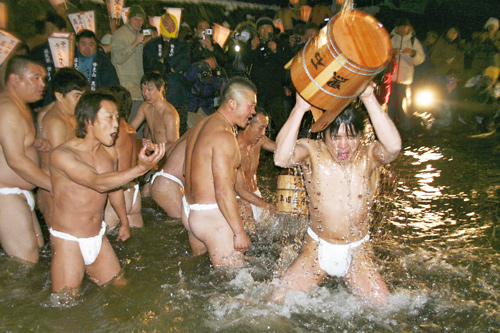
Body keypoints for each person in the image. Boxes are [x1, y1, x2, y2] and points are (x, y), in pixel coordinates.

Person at [271, 84, 402, 304]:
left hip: (356, 253)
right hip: (317, 250)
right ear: (323, 135)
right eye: (336, 137)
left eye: (351, 137)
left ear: (361, 136)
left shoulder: (368, 156)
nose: (343, 145)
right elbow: (281, 159)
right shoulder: (312, 150)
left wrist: (369, 98)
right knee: (276, 302)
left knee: (384, 307)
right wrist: (299, 109)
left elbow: (393, 148)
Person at [48, 90, 165, 295]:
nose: (115, 124)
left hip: (98, 237)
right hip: (69, 241)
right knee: (66, 305)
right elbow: (97, 182)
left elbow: (113, 189)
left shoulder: (108, 152)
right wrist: (140, 168)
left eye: (117, 117)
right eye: (109, 117)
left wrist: (124, 222)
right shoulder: (62, 155)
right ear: (88, 121)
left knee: (120, 291)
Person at [182, 76, 256, 267]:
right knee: (233, 285)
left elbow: (185, 171)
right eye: (251, 106)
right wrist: (239, 232)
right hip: (212, 217)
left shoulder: (200, 125)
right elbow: (223, 191)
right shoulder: (224, 136)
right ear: (232, 103)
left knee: (200, 273)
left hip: (190, 211)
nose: (253, 112)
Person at [0, 55, 51, 263]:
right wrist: (53, 185)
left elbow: (18, 146)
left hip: (19, 192)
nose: (42, 84)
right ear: (14, 79)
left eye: (44, 79)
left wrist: (36, 145)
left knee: (37, 250)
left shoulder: (20, 106)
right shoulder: (8, 108)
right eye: (36, 78)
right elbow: (16, 160)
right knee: (25, 262)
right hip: (5, 194)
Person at [37, 68, 90, 227]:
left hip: (66, 189)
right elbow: (60, 165)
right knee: (61, 245)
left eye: (82, 95)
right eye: (76, 96)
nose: (81, 101)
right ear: (60, 96)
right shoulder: (56, 122)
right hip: (54, 191)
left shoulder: (70, 115)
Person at [143, 13, 191, 135]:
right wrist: (170, 67)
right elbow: (150, 66)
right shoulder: (152, 45)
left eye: (173, 25)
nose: (170, 27)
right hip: (156, 93)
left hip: (177, 93)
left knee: (178, 126)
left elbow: (183, 64)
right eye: (166, 24)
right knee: (155, 126)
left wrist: (164, 63)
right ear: (161, 25)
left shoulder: (183, 45)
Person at [104, 85, 144, 229]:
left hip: (118, 193)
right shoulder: (131, 129)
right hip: (133, 191)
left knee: (102, 241)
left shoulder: (112, 131)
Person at [244, 17, 288, 137]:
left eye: (268, 27)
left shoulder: (280, 44)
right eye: (262, 28)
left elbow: (286, 64)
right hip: (258, 91)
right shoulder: (253, 44)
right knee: (257, 121)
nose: (265, 31)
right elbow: (245, 62)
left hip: (275, 90)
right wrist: (252, 49)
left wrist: (275, 51)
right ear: (258, 31)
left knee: (280, 122)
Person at [235, 107, 277, 234]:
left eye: (265, 128)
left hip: (256, 194)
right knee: (251, 235)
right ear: (247, 125)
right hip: (240, 199)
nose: (264, 133)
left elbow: (282, 151)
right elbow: (240, 189)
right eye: (260, 128)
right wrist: (267, 206)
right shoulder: (235, 149)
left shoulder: (259, 142)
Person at [387, 18, 425, 136]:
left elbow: (421, 59)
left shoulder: (414, 41)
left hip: (406, 78)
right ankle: (388, 127)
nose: (403, 29)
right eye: (400, 27)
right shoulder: (390, 38)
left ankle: (406, 127)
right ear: (396, 28)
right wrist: (391, 52)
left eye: (405, 27)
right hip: (391, 78)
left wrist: (412, 53)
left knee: (405, 104)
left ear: (409, 28)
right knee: (389, 104)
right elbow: (382, 54)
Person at [111, 4, 148, 120]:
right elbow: (116, 58)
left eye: (141, 20)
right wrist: (134, 44)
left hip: (139, 89)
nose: (138, 22)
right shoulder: (120, 34)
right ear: (129, 19)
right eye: (135, 19)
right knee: (128, 124)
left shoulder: (138, 35)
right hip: (126, 89)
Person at [130, 72, 180, 146]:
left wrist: (154, 147)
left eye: (149, 90)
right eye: (143, 89)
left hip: (167, 154)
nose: (145, 93)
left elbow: (173, 144)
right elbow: (130, 128)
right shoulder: (145, 106)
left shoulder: (169, 114)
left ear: (161, 89)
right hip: (153, 152)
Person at [150, 131, 188, 219]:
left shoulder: (192, 131)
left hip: (159, 177)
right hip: (168, 184)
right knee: (184, 225)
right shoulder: (211, 135)